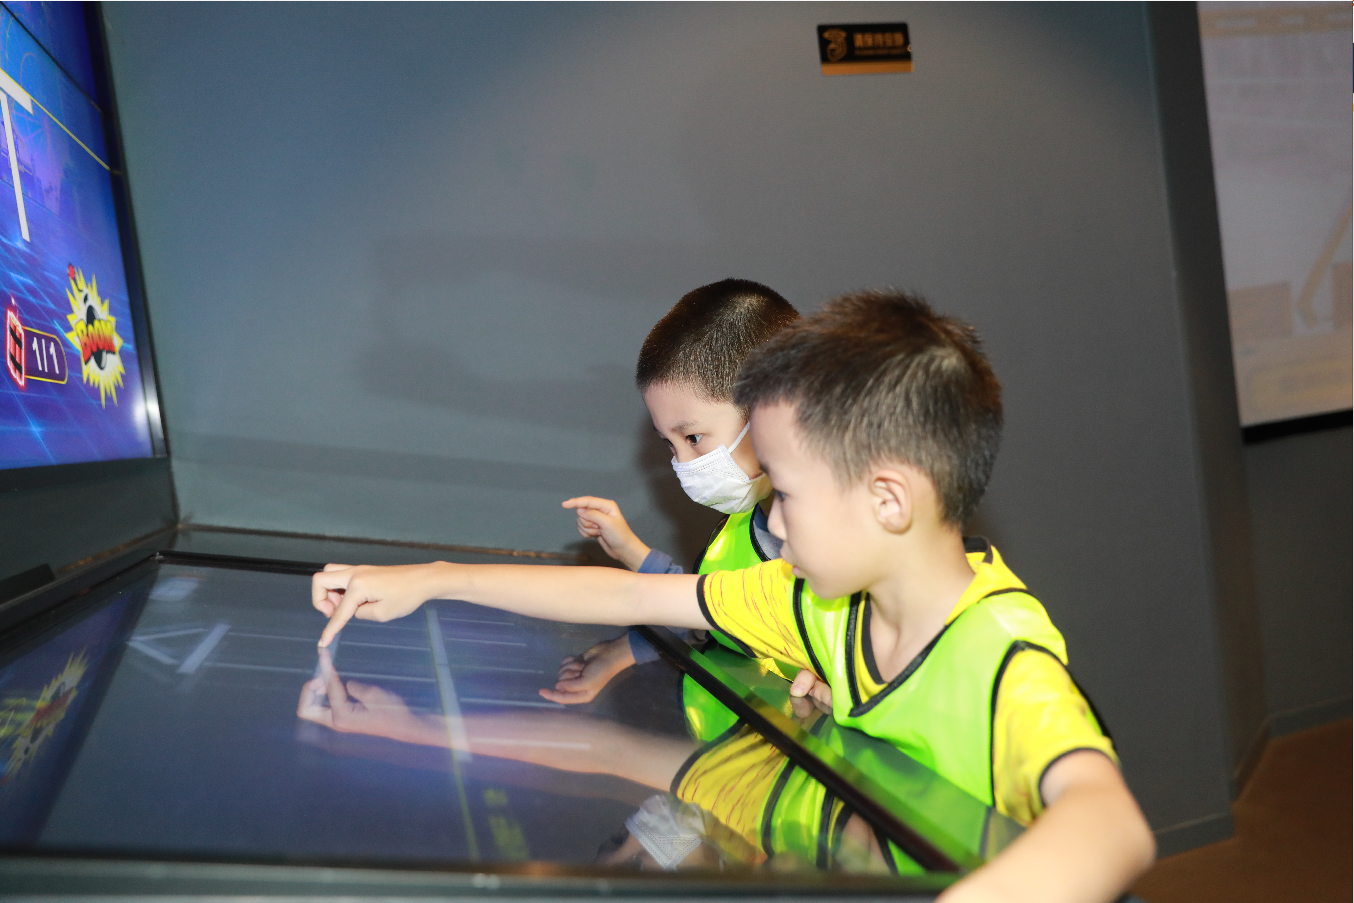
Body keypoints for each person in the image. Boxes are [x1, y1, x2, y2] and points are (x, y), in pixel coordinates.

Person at [312, 290, 1156, 902]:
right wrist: (436, 582)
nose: (773, 525)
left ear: (888, 499)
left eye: (784, 492)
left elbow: (1110, 824)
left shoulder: (1002, 652)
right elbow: (632, 613)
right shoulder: (818, 608)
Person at [549, 277, 801, 703]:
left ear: (776, 405)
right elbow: (708, 610)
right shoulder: (744, 521)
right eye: (669, 443)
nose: (683, 464)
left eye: (693, 438)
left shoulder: (846, 537)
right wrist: (632, 554)